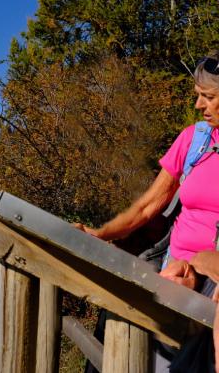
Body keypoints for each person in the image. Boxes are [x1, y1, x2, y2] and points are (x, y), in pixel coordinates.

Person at [79, 52, 219, 371]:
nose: (199, 105)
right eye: (198, 95)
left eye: (208, 97)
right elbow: (146, 206)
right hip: (173, 272)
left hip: (210, 284)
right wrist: (100, 234)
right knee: (113, 323)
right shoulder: (194, 140)